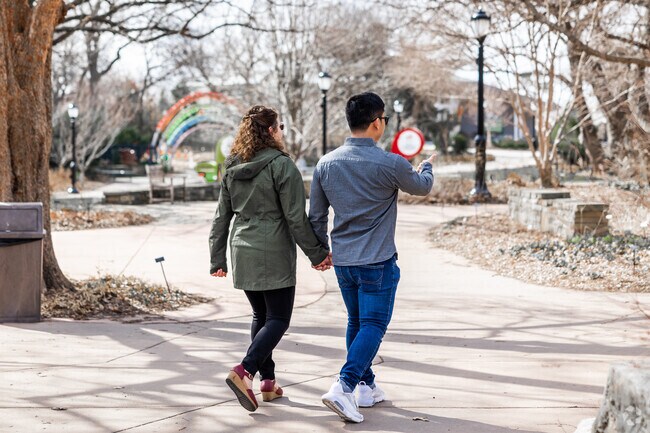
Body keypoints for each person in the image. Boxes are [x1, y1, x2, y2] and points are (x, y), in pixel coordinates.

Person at [309, 92, 435, 423]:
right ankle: (344, 386)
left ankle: (366, 385)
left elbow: (316, 217)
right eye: (385, 121)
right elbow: (421, 187)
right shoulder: (389, 162)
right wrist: (427, 167)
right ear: (377, 122)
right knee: (374, 324)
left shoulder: (326, 163)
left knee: (357, 322)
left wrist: (320, 251)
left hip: (345, 262)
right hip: (377, 261)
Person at [209, 105, 332, 412]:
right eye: (280, 127)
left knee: (260, 317)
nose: (282, 132)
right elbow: (294, 217)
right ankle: (244, 371)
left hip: (242, 248)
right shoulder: (282, 166)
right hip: (273, 249)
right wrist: (317, 254)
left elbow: (221, 216)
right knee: (278, 319)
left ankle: (269, 382)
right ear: (270, 131)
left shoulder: (232, 165)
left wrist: (217, 258)